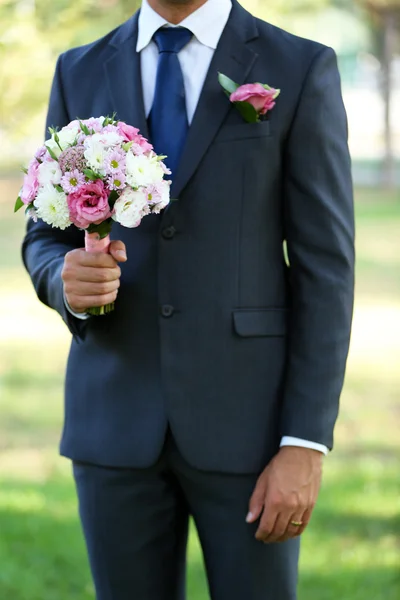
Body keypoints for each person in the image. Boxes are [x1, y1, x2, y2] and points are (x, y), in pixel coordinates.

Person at [22, 0, 355, 598]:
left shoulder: (299, 66)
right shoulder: (79, 68)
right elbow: (46, 233)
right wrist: (63, 279)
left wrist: (304, 441)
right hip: (113, 419)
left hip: (251, 429)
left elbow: (325, 270)